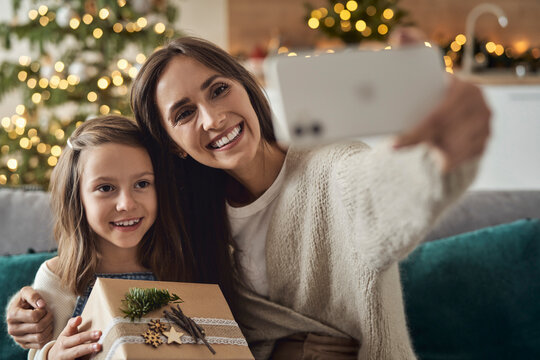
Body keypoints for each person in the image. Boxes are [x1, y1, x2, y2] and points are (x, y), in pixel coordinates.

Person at [7, 34, 491, 359]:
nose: (213, 119)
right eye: (183, 113)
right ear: (171, 147)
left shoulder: (328, 169)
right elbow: (96, 264)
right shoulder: (186, 216)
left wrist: (436, 159)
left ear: (245, 84)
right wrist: (32, 313)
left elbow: (375, 192)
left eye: (218, 90)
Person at [23, 116, 194, 360]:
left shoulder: (180, 266)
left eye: (142, 183)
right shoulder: (58, 277)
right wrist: (52, 355)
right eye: (106, 188)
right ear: (77, 198)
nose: (126, 204)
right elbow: (39, 352)